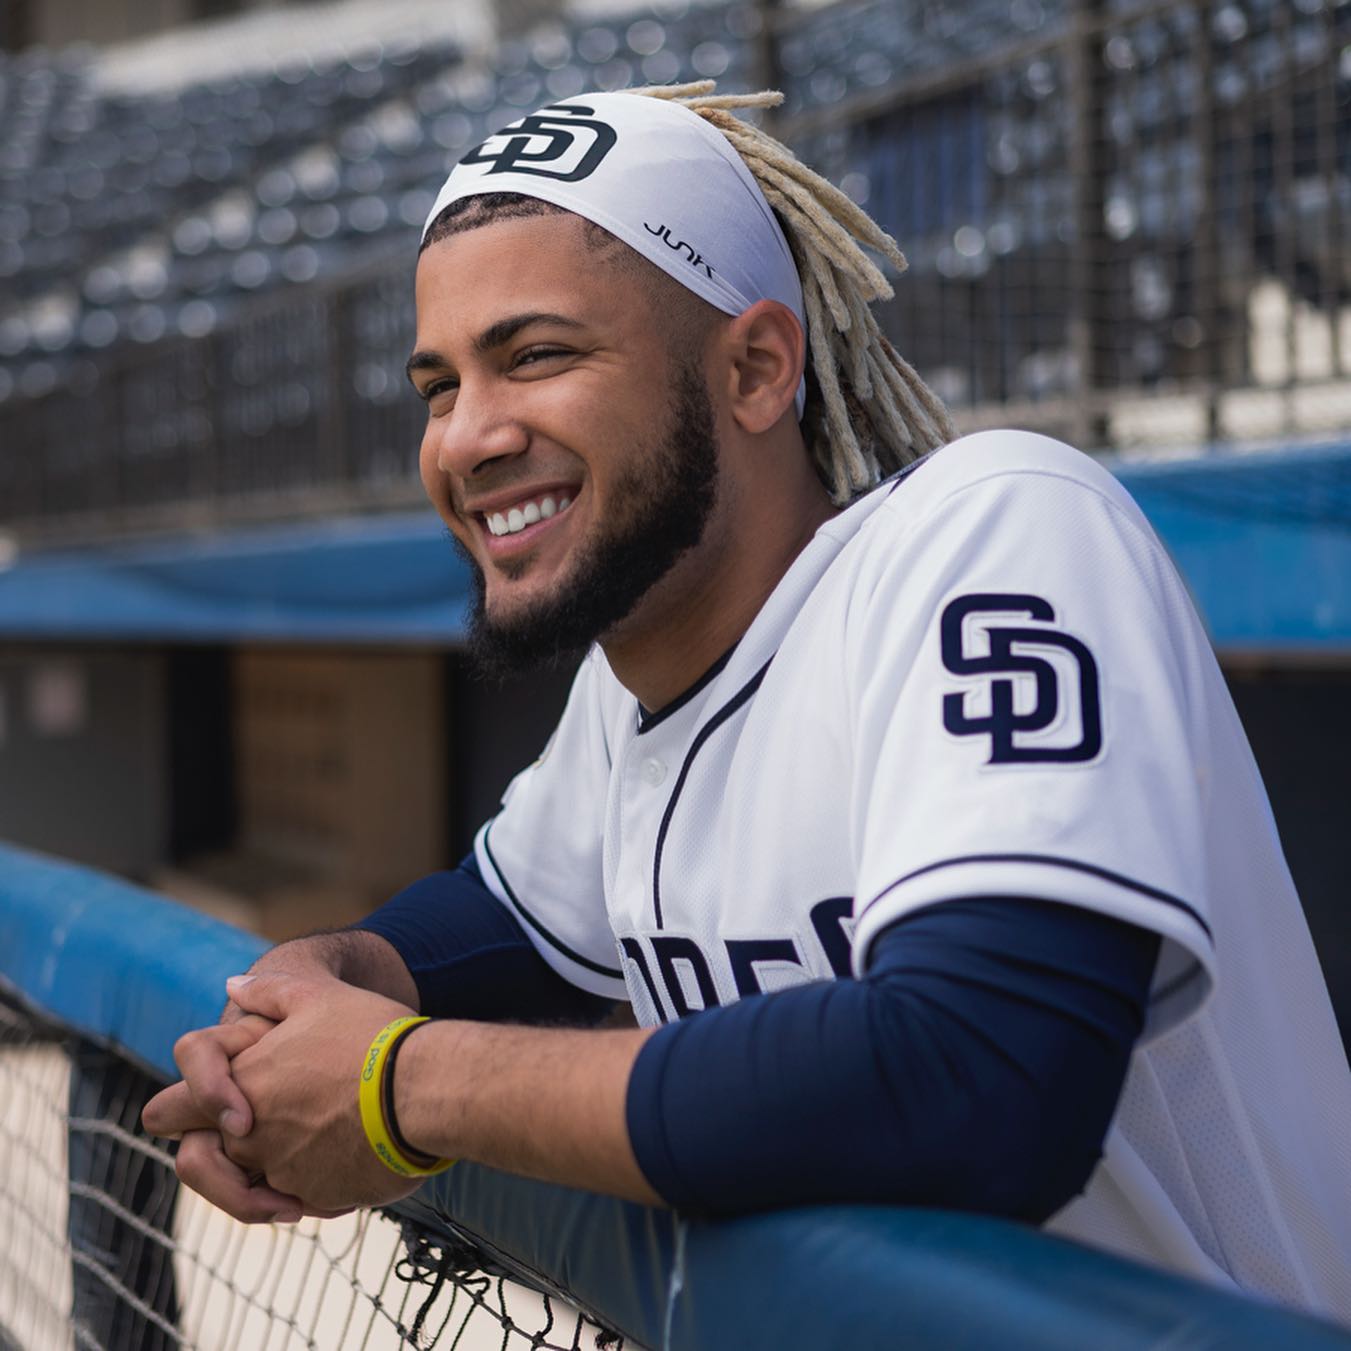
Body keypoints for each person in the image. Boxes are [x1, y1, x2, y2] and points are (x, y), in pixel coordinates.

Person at [143, 82, 1351, 1323]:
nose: (466, 437)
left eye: (536, 355)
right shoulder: (637, 679)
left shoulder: (990, 529)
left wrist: (397, 1088)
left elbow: (985, 1081)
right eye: (437, 385)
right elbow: (502, 927)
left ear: (758, 367)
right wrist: (318, 987)